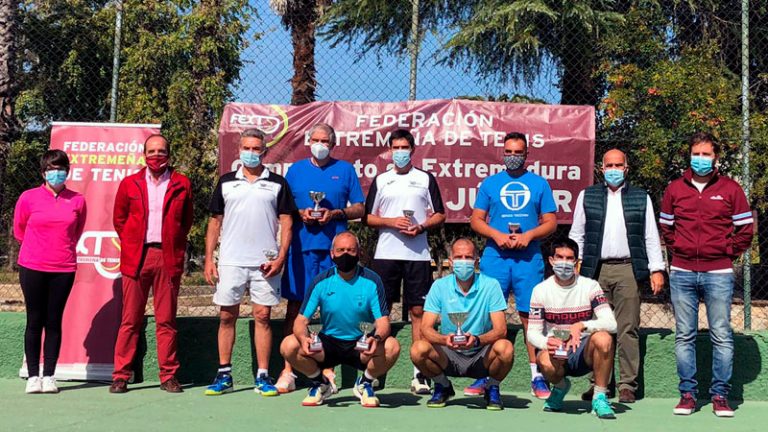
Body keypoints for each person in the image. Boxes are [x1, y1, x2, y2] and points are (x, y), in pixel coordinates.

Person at [660, 132, 753, 418]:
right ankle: (687, 395)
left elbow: (746, 229)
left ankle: (720, 396)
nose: (700, 159)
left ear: (716, 158)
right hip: (682, 272)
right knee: (684, 335)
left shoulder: (731, 189)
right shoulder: (675, 189)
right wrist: (682, 250)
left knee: (722, 335)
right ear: (689, 156)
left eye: (706, 154)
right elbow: (666, 227)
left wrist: (725, 251)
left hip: (719, 273)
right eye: (696, 154)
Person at [203, 128, 296, 397]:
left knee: (263, 316)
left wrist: (281, 257)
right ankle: (224, 374)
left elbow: (287, 223)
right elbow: (214, 222)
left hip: (264, 263)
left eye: (257, 149)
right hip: (231, 261)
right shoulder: (225, 182)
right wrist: (209, 258)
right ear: (239, 150)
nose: (252, 153)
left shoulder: (278, 183)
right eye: (247, 148)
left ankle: (263, 376)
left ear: (265, 151)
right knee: (226, 316)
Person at [568, 149, 665, 403]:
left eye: (618, 165)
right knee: (597, 329)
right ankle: (598, 384)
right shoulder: (587, 196)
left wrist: (657, 269)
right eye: (609, 165)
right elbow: (577, 233)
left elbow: (650, 236)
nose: (613, 169)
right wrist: (574, 263)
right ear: (601, 168)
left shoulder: (640, 197)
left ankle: (627, 386)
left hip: (627, 269)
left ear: (626, 168)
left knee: (627, 329)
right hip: (594, 270)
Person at [277, 123, 365, 393]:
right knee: (295, 308)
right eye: (315, 139)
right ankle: (289, 371)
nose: (319, 144)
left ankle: (328, 370)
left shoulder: (345, 170)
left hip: (335, 252)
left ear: (333, 143)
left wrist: (336, 213)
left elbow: (360, 208)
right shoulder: (296, 171)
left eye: (325, 140)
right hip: (301, 249)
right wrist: (300, 212)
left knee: (333, 310)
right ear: (308, 141)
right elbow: (284, 207)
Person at [469, 131, 557, 399]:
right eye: (508, 152)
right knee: (488, 316)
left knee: (531, 317)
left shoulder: (539, 184)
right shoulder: (490, 184)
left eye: (518, 152)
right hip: (495, 257)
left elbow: (551, 221)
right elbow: (476, 220)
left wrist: (529, 236)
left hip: (528, 259)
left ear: (527, 154)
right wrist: (497, 235)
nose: (512, 157)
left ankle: (537, 377)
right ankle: (483, 375)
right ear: (502, 153)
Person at [110, 134, 194, 394]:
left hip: (167, 257)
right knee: (130, 320)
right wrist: (134, 243)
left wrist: (174, 244)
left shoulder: (182, 183)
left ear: (169, 153)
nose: (156, 156)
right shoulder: (129, 184)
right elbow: (119, 219)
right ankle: (121, 375)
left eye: (161, 151)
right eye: (151, 151)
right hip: (137, 257)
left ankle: (168, 376)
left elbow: (187, 220)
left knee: (166, 321)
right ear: (143, 154)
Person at [364, 129, 445, 394]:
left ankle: (419, 374)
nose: (399, 152)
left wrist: (420, 227)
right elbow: (368, 217)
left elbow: (440, 215)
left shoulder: (424, 179)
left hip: (417, 256)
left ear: (412, 149)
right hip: (386, 255)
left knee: (418, 312)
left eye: (404, 147)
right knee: (381, 313)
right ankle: (374, 372)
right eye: (395, 147)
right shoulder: (381, 180)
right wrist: (391, 222)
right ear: (389, 150)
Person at [280, 232, 400, 407]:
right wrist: (303, 338)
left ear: (359, 253)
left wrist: (377, 338)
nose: (345, 254)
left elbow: (383, 323)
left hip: (361, 344)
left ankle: (365, 383)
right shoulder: (320, 281)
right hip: (327, 345)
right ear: (332, 254)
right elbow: (300, 321)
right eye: (341, 250)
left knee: (392, 347)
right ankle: (320, 383)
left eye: (351, 250)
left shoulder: (373, 281)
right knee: (288, 345)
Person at [410, 238, 514, 410]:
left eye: (468, 257)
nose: (463, 261)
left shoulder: (491, 285)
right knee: (418, 349)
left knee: (506, 348)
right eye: (459, 257)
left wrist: (477, 340)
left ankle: (492, 387)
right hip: (448, 353)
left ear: (476, 261)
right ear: (450, 262)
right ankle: (442, 385)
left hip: (481, 354)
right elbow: (425, 328)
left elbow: (501, 330)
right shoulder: (439, 286)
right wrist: (445, 340)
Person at [14, 149, 87, 394]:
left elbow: (76, 231)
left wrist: (59, 249)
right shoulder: (28, 197)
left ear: (67, 171)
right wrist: (39, 249)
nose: (57, 173)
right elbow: (19, 230)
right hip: (32, 266)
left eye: (61, 168)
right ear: (43, 172)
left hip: (64, 268)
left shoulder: (78, 200)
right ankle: (33, 375)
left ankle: (49, 375)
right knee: (34, 320)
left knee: (54, 321)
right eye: (52, 169)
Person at [528, 238, 618, 419]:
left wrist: (582, 325)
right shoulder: (540, 290)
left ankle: (599, 397)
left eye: (569, 258)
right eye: (559, 257)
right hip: (557, 353)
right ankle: (560, 387)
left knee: (604, 338)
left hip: (583, 351)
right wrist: (548, 342)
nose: (564, 262)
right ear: (551, 260)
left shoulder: (590, 286)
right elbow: (532, 333)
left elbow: (612, 323)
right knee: (543, 360)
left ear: (576, 263)